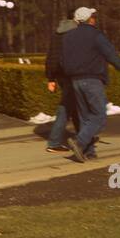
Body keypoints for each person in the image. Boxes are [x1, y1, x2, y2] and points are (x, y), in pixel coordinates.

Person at [60, 6, 120, 162]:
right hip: (92, 80)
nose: (95, 19)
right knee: (99, 116)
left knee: (85, 117)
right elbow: (111, 55)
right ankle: (79, 143)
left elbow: (62, 61)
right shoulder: (96, 35)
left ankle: (89, 152)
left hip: (75, 81)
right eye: (93, 17)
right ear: (90, 19)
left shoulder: (67, 37)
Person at [43, 18, 79, 154]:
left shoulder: (56, 34)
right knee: (66, 107)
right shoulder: (74, 35)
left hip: (59, 75)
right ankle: (54, 142)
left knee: (73, 105)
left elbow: (51, 57)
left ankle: (83, 135)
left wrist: (50, 77)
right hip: (70, 74)